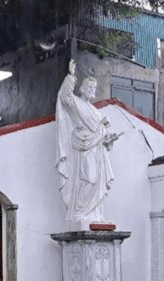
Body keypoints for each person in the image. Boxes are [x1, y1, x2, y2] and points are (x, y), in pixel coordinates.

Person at [55, 60, 119, 229]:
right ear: (82, 89)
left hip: (98, 151)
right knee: (88, 179)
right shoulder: (76, 103)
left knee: (98, 182)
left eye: (94, 88)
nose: (92, 91)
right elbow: (64, 97)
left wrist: (108, 138)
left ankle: (94, 214)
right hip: (84, 149)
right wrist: (71, 76)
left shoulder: (95, 111)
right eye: (89, 87)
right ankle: (80, 212)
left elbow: (100, 133)